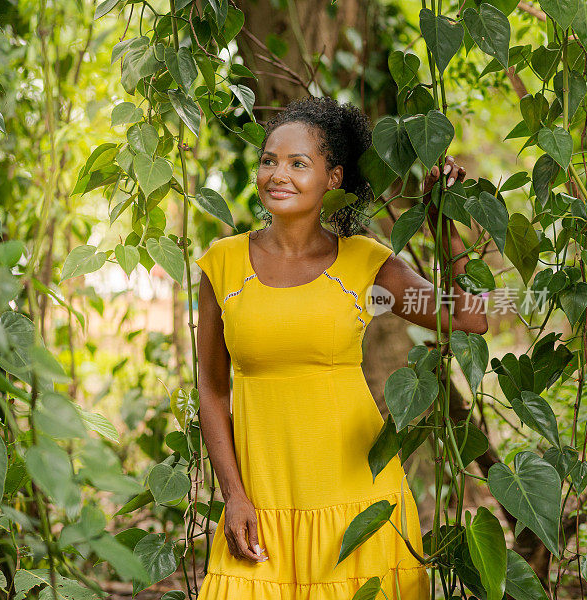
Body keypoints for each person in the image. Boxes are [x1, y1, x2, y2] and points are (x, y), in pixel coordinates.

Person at [193, 95, 488, 600]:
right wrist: (233, 495)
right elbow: (211, 389)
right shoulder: (222, 263)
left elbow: (467, 318)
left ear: (333, 178)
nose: (277, 174)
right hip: (260, 504)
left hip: (357, 504)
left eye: (298, 163)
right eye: (269, 160)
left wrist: (445, 223)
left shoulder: (365, 262)